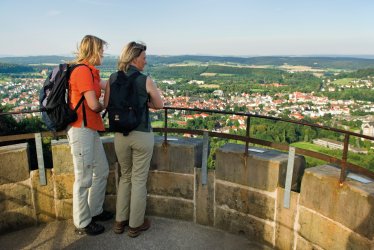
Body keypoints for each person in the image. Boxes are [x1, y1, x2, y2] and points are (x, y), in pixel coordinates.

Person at [104, 41, 163, 237]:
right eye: (144, 58)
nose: (145, 62)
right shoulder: (144, 80)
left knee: (125, 177)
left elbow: (106, 104)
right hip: (141, 134)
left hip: (120, 135)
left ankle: (119, 222)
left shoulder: (112, 78)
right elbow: (159, 104)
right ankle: (135, 225)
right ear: (135, 58)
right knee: (138, 180)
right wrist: (144, 101)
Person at [67, 35, 113, 236]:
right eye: (101, 49)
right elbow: (93, 104)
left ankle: (94, 211)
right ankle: (82, 222)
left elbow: (107, 84)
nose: (103, 53)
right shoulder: (83, 72)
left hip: (90, 128)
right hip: (80, 128)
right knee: (83, 177)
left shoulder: (92, 72)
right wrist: (106, 105)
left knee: (101, 170)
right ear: (93, 50)